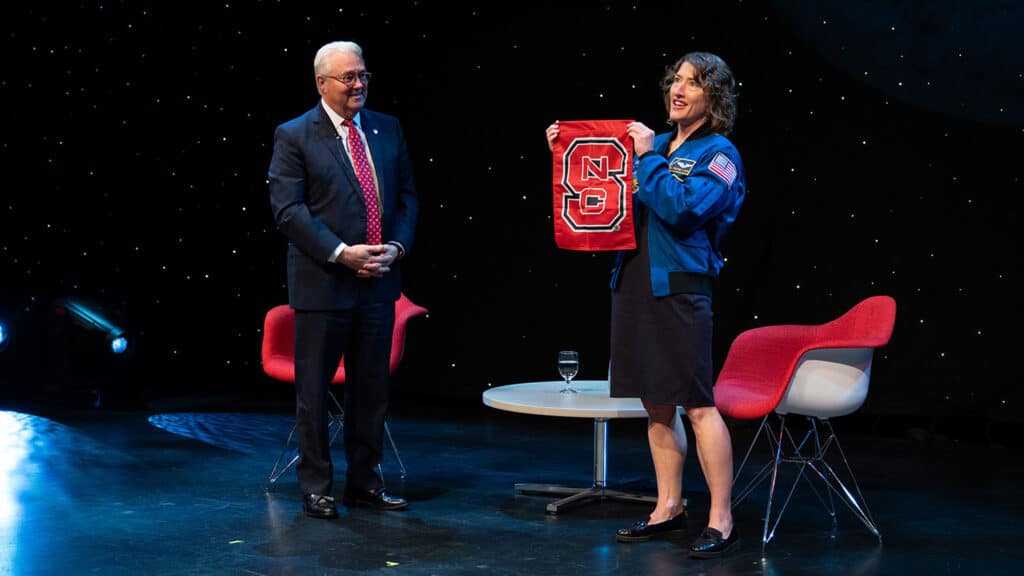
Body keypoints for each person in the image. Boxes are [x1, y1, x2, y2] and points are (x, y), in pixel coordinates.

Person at [545, 51, 744, 558]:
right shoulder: (646, 149)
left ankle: (721, 517)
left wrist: (648, 157)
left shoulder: (718, 152)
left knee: (696, 404)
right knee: (654, 402)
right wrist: (564, 150)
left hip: (680, 286)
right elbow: (600, 196)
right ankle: (668, 506)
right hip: (633, 282)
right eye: (675, 80)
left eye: (693, 84)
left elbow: (684, 208)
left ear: (713, 97)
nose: (678, 90)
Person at [268, 40, 419, 519]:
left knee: (370, 392)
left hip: (378, 282)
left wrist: (395, 248)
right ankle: (316, 487)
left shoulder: (387, 128)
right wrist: (341, 253)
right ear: (322, 83)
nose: (359, 85)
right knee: (313, 394)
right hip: (324, 283)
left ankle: (365, 485)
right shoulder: (294, 135)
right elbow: (287, 211)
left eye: (363, 75)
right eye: (348, 78)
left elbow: (408, 199)